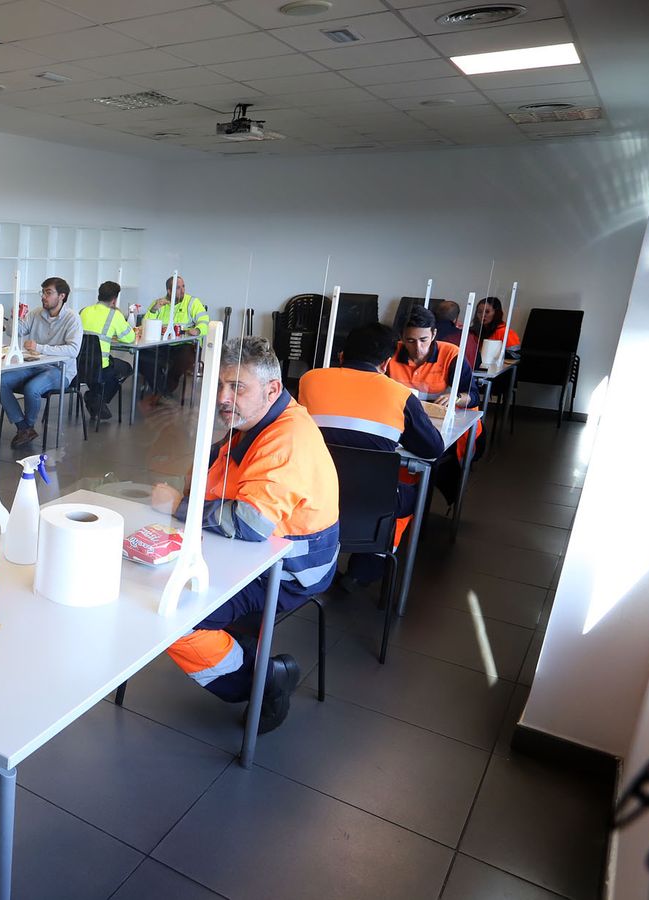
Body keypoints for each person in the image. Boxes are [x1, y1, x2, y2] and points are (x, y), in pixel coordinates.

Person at [150, 337, 339, 733]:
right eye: (220, 384)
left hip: (288, 570)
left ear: (272, 389)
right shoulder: (253, 419)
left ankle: (264, 680)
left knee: (172, 616)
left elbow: (251, 525)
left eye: (237, 387)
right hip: (241, 551)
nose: (223, 397)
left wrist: (179, 507)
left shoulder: (286, 437)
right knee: (148, 577)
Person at [299, 323, 444, 589]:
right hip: (371, 501)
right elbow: (433, 449)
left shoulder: (310, 379)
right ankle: (369, 562)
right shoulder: (400, 395)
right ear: (387, 363)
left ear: (341, 356)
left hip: (312, 491)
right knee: (412, 495)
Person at [386, 305, 478, 505]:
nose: (417, 348)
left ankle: (421, 506)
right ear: (401, 336)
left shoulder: (451, 354)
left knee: (435, 460)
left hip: (439, 421)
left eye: (423, 340)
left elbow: (473, 394)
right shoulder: (391, 354)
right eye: (410, 341)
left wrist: (456, 398)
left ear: (434, 334)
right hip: (401, 419)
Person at [2, 278, 81, 449]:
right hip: (34, 365)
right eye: (43, 292)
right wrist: (14, 318)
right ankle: (23, 427)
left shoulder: (72, 318)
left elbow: (73, 351)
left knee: (32, 388)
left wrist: (40, 347)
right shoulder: (36, 313)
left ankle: (27, 426)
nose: (44, 297)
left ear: (62, 296)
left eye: (48, 292)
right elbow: (13, 332)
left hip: (61, 370)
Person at [139, 275, 210, 403]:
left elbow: (205, 321)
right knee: (143, 356)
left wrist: (198, 330)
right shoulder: (159, 303)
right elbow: (146, 323)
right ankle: (162, 391)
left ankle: (161, 392)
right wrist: (154, 309)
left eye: (183, 286)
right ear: (169, 291)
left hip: (186, 344)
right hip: (163, 344)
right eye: (178, 288)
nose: (182, 290)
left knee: (181, 360)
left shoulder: (192, 302)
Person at [78, 280, 135, 421]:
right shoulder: (114, 315)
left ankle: (96, 399)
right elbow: (130, 338)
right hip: (101, 367)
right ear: (114, 300)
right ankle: (97, 400)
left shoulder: (84, 311)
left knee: (108, 371)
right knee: (126, 368)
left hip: (79, 366)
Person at [462, 295, 521, 365]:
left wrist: (495, 354)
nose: (483, 315)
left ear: (496, 313)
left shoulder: (505, 332)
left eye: (487, 312)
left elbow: (515, 355)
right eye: (479, 312)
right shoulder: (474, 331)